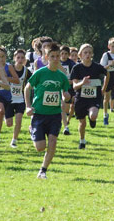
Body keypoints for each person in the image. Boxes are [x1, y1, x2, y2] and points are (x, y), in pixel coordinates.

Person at [24, 42, 70, 179]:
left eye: (57, 56)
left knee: (53, 142)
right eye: (52, 56)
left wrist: (66, 95)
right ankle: (32, 129)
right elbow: (27, 88)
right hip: (39, 114)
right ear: (46, 57)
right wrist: (28, 106)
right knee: (40, 147)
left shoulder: (62, 76)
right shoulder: (40, 73)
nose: (55, 59)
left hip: (55, 115)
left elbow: (65, 92)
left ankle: (43, 170)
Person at [70, 44, 109, 149]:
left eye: (89, 53)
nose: (87, 55)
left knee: (93, 115)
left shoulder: (97, 67)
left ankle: (92, 119)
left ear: (92, 54)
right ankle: (82, 141)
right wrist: (83, 83)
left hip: (94, 97)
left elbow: (107, 74)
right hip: (81, 98)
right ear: (80, 55)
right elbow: (74, 87)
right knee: (82, 123)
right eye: (85, 52)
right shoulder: (76, 68)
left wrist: (104, 89)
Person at [5, 49, 32, 148]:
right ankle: (4, 116)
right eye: (18, 57)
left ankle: (14, 140)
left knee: (19, 120)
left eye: (22, 58)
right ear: (14, 58)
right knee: (9, 124)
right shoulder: (9, 69)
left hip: (20, 99)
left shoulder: (26, 71)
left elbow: (33, 81)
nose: (20, 60)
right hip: (9, 99)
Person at [0, 46, 19, 146]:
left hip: (7, 95)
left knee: (9, 124)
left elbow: (16, 80)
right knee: (1, 111)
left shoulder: (9, 67)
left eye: (3, 56)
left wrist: (5, 78)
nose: (1, 59)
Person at [60, 45, 76, 135]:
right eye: (62, 53)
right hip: (61, 87)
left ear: (68, 55)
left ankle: (67, 120)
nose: (64, 55)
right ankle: (65, 126)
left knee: (73, 105)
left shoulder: (72, 64)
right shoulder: (57, 63)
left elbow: (75, 78)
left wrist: (71, 81)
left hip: (71, 86)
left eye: (66, 54)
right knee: (64, 103)